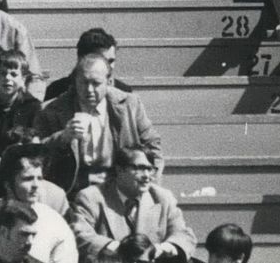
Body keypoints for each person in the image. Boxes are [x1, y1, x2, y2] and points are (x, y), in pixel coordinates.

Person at [33, 53, 161, 194]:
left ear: (109, 81)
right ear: (75, 81)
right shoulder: (51, 110)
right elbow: (35, 154)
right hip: (72, 193)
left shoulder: (130, 105)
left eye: (96, 83)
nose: (89, 90)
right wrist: (63, 137)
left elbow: (153, 147)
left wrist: (149, 187)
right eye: (84, 82)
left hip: (120, 191)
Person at [68, 147, 196, 263]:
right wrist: (117, 249)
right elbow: (80, 234)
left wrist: (164, 248)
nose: (147, 176)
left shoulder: (162, 197)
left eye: (150, 169)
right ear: (119, 170)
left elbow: (183, 234)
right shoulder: (91, 197)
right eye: (139, 168)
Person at [0, 144, 74, 263]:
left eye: (39, 178)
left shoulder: (54, 221)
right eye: (27, 179)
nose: (36, 185)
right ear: (7, 183)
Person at [0, 51, 42, 157]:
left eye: (13, 74)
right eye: (3, 73)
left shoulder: (33, 108)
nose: (7, 78)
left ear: (23, 78)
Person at [43, 29, 133, 102]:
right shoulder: (56, 91)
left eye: (111, 61)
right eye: (102, 61)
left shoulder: (125, 94)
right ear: (81, 60)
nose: (110, 67)